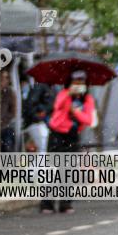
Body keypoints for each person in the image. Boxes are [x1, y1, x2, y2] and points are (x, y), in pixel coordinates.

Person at [43, 69, 96, 214]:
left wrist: (76, 112)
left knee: (70, 170)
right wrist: (69, 95)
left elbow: (88, 120)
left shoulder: (87, 99)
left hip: (73, 136)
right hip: (57, 135)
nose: (79, 84)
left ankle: (65, 203)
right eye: (76, 82)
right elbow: (57, 107)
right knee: (56, 169)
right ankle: (47, 203)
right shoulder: (63, 95)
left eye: (81, 82)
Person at [22, 75, 53, 154]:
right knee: (41, 149)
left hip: (41, 123)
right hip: (38, 123)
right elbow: (31, 105)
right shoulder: (40, 87)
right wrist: (38, 115)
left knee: (41, 149)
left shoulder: (48, 88)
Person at [0, 70, 17, 152]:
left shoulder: (10, 92)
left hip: (6, 126)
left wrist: (4, 120)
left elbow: (13, 112)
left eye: (6, 78)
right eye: (3, 77)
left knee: (7, 147)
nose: (5, 80)